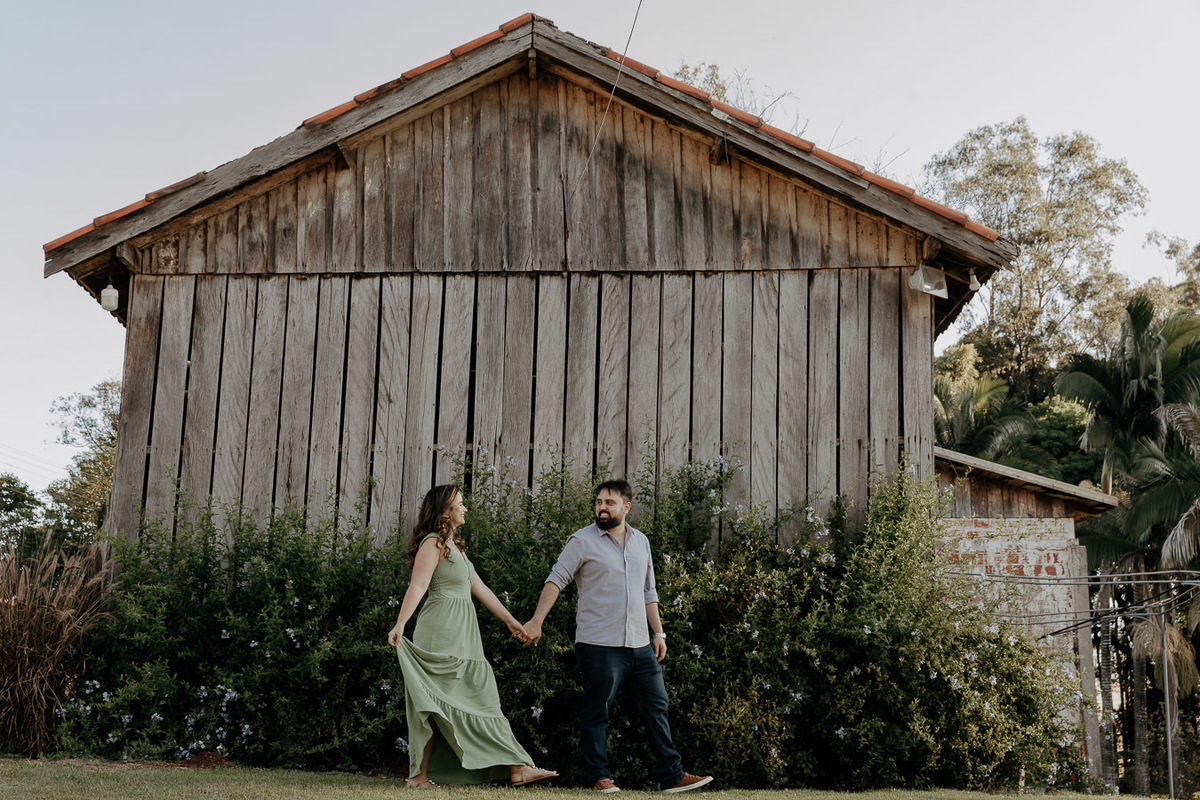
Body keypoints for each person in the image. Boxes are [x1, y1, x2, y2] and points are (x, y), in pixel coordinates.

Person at [523, 479, 713, 794]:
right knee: (597, 711)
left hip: (640, 644)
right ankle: (598, 777)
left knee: (657, 707)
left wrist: (658, 632)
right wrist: (536, 621)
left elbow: (648, 591)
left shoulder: (641, 542)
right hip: (599, 644)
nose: (602, 507)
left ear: (626, 507)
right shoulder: (582, 541)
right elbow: (556, 579)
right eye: (599, 502)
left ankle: (672, 776)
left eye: (609, 503)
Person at [387, 484, 557, 788]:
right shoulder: (432, 543)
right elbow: (418, 586)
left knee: (481, 698)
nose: (465, 508)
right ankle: (420, 776)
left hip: (464, 635)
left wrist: (512, 622)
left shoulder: (457, 549)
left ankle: (517, 767)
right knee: (432, 704)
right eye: (460, 504)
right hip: (439, 631)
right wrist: (400, 623)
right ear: (445, 510)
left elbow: (481, 589)